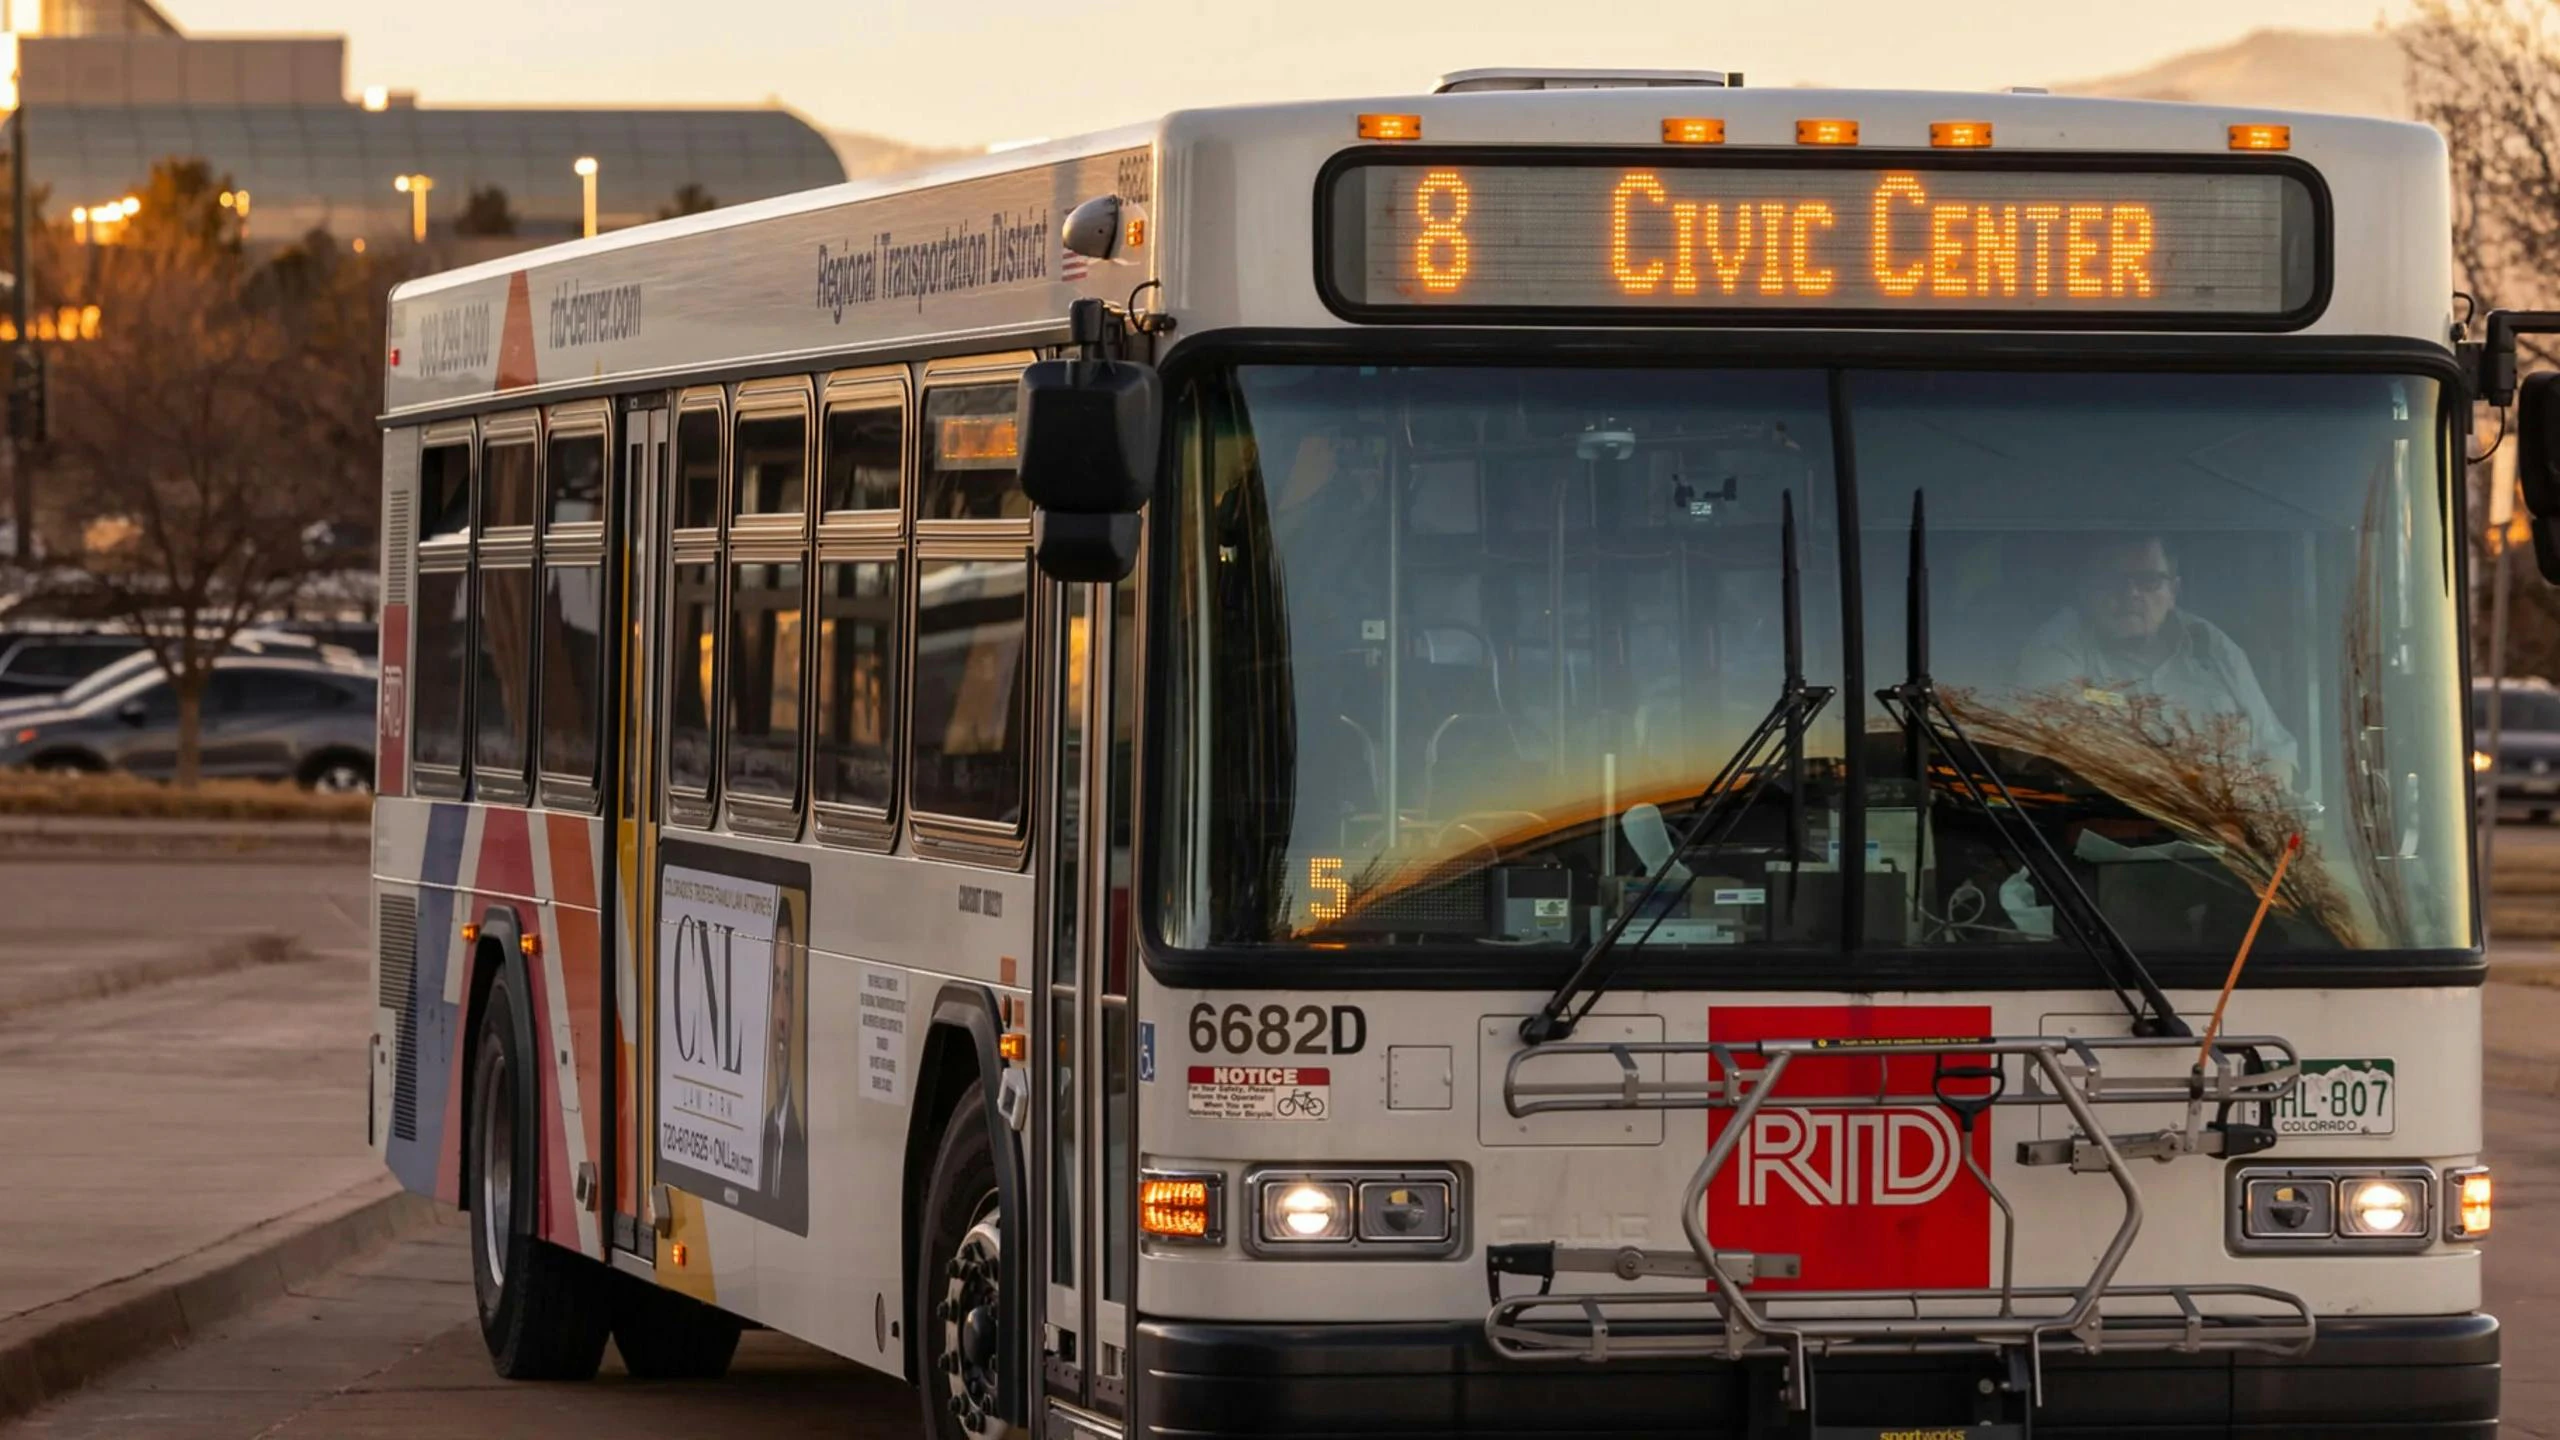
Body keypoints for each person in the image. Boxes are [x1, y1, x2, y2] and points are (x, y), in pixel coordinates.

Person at [2016, 532, 2298, 783]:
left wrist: (2262, 818)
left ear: (2173, 591)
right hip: (2115, 832)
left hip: (2230, 832)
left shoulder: (2210, 645)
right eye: (2113, 581)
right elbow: (2056, 757)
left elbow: (2275, 752)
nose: (2131, 594)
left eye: (2148, 581)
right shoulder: (2056, 647)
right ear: (2086, 589)